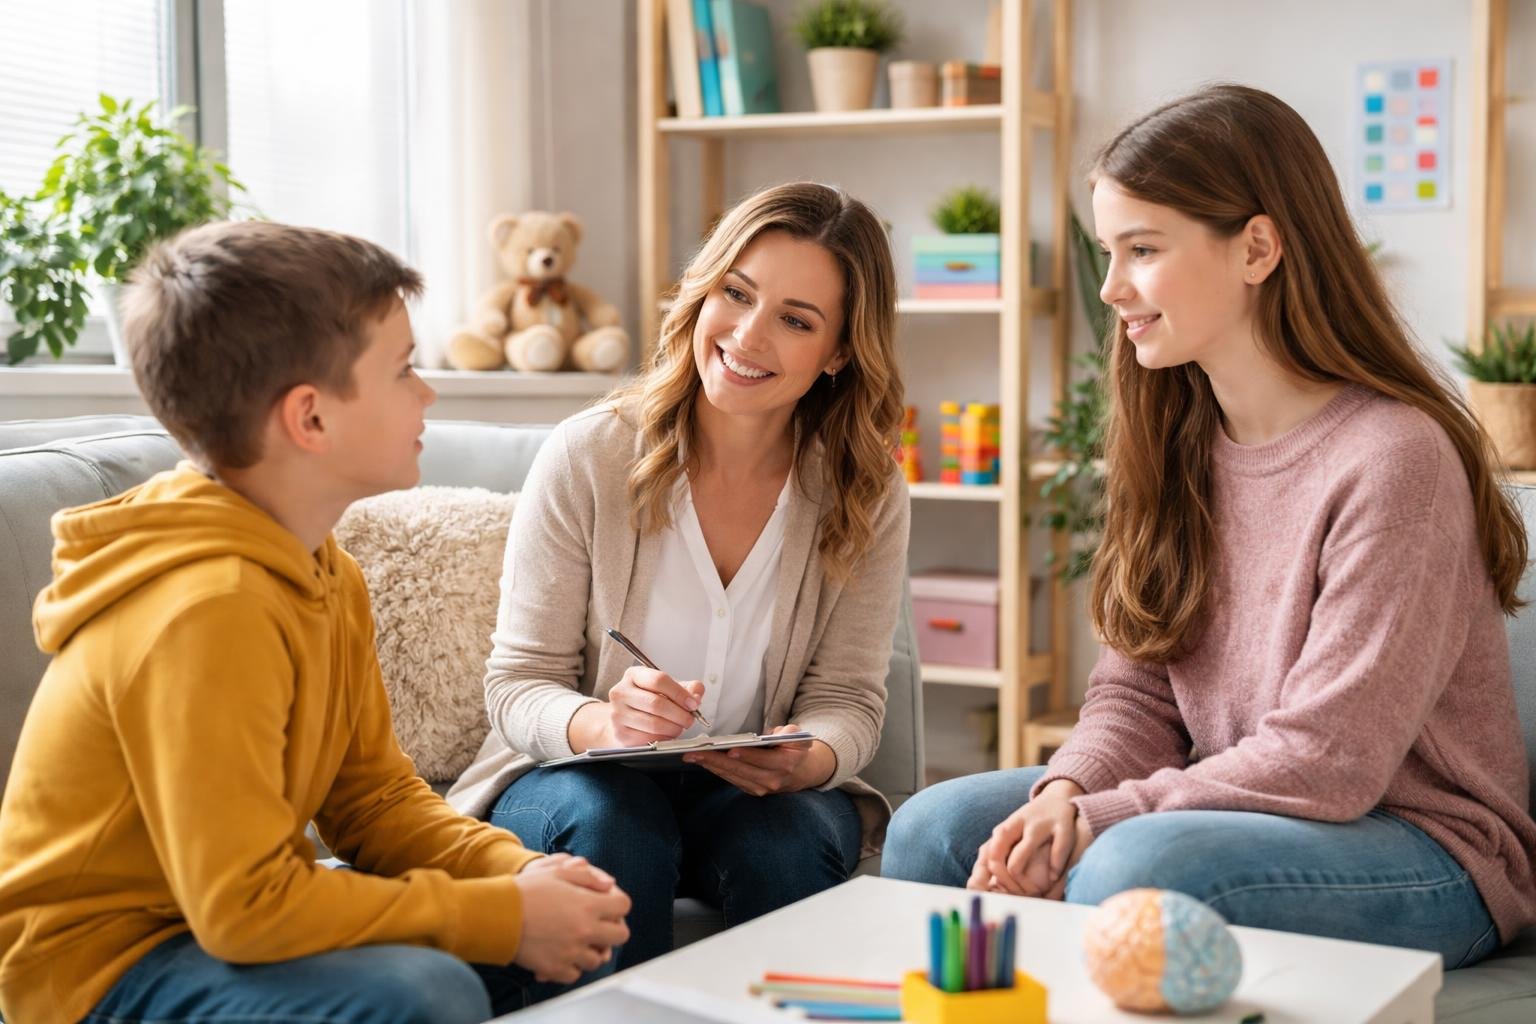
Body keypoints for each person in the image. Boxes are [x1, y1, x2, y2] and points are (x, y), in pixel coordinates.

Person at [882, 84, 1536, 969]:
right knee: (932, 831)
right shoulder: (1176, 440)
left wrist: (1104, 816)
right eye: (1109, 252)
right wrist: (1066, 789)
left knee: (1132, 869)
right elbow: (1137, 697)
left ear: (1257, 248)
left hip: (1423, 847)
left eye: (1143, 249)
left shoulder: (1393, 459)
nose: (1111, 287)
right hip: (1236, 806)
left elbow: (1330, 760)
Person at [0, 221, 630, 1024]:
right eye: (402, 369)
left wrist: (516, 875)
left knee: (557, 932)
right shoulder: (209, 609)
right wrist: (498, 916)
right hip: (100, 972)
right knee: (428, 992)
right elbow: (245, 909)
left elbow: (373, 803)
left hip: (214, 926)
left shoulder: (323, 570)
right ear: (311, 418)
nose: (427, 392)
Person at [447, 181, 910, 982]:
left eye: (796, 320)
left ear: (839, 353)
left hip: (756, 801)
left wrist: (808, 758)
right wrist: (603, 724)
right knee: (617, 822)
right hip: (577, 785)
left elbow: (850, 700)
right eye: (737, 294)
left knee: (787, 840)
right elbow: (517, 686)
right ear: (702, 294)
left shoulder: (864, 490)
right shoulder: (588, 456)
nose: (747, 335)